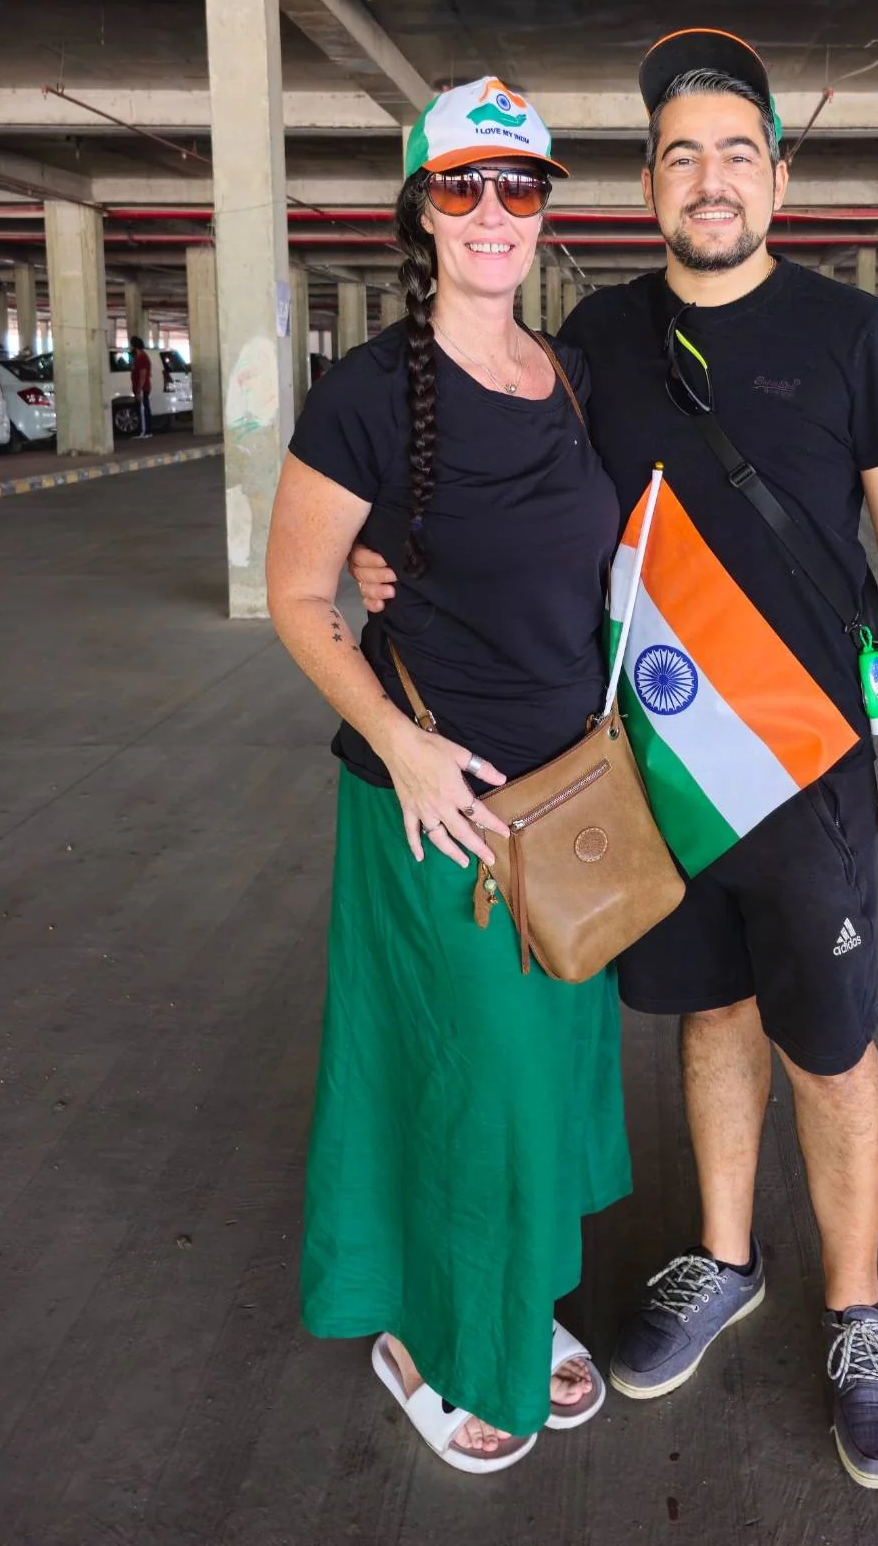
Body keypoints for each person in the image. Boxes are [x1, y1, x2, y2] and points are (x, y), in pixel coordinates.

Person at [350, 29, 878, 1490]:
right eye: (680, 153)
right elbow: (504, 487)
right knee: (707, 1013)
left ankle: (859, 1308)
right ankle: (725, 1259)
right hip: (655, 768)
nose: (709, 179)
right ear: (643, 184)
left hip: (807, 762)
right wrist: (383, 545)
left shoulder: (853, 337)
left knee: (828, 1041)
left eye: (735, 153)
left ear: (777, 179)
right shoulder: (592, 346)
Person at [265, 77, 629, 1475]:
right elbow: (301, 597)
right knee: (462, 1080)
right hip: (439, 803)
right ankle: (427, 1339)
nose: (492, 213)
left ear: (544, 212)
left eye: (519, 187)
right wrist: (407, 746)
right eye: (463, 185)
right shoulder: (366, 393)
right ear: (423, 208)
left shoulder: (571, 375)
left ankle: (511, 1302)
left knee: (539, 1077)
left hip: (571, 801)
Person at [128, 335, 154, 438]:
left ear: (135, 346)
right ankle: (143, 431)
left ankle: (146, 431)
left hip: (142, 389)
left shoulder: (142, 358)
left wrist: (139, 390)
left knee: (143, 410)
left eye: (131, 345)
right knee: (141, 409)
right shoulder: (138, 358)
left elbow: (143, 375)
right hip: (140, 388)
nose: (130, 348)